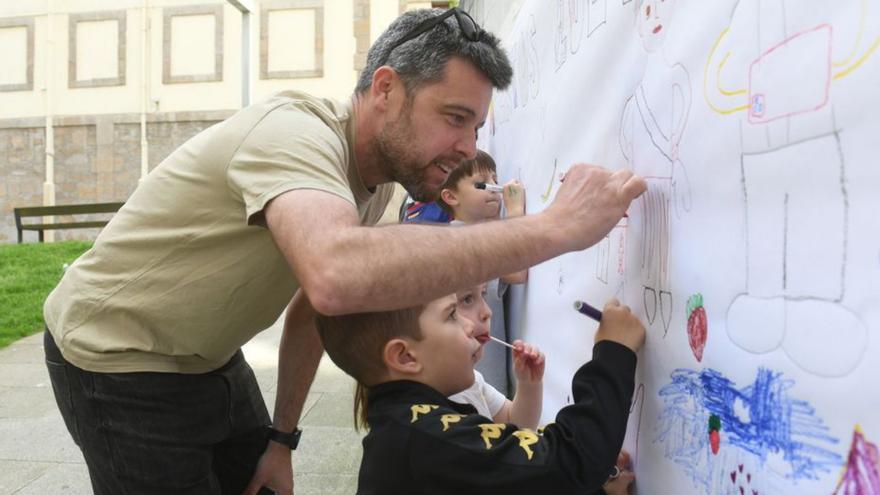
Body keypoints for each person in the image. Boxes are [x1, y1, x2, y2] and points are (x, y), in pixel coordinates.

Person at [43, 7, 646, 495]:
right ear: (385, 88)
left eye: (476, 130)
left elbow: (315, 307)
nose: (465, 149)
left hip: (209, 357)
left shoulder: (378, 187)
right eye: (454, 117)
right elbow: (335, 275)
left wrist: (282, 442)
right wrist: (555, 228)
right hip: (115, 359)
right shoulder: (295, 133)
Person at [314, 293, 644, 494]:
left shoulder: (407, 421)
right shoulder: (427, 437)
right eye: (452, 315)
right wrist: (614, 352)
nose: (472, 325)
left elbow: (514, 484)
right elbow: (570, 459)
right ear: (405, 357)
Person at [449, 283, 635, 495]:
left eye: (482, 295)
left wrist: (528, 385)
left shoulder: (472, 381)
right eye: (466, 300)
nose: (487, 311)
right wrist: (614, 352)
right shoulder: (438, 426)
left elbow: (517, 427)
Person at [438, 150, 526, 395]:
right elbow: (517, 272)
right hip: (474, 378)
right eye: (482, 183)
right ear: (451, 196)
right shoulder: (461, 240)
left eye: (496, 181)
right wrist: (516, 211)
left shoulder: (471, 234)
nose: (494, 188)